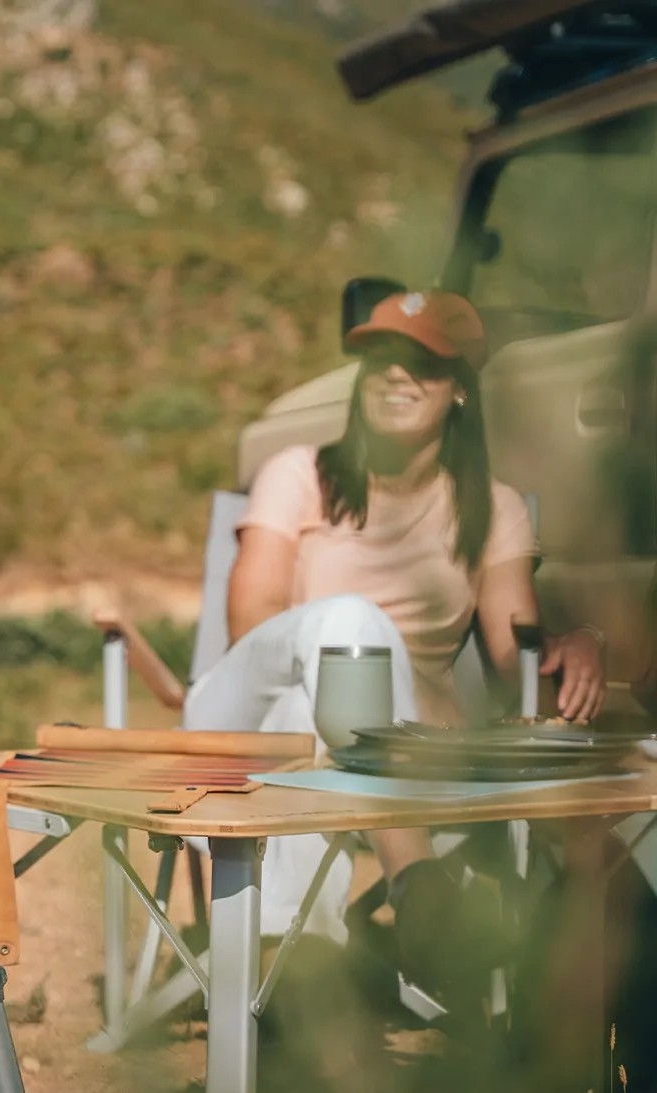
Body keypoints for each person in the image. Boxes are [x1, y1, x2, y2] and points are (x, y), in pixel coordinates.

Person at [183, 288, 607, 1015]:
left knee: (313, 716)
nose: (395, 374)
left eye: (424, 362)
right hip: (237, 721)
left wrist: (583, 645)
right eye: (380, 357)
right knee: (349, 627)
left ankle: (295, 979)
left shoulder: (493, 509)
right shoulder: (299, 472)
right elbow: (251, 623)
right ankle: (418, 886)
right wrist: (370, 662)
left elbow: (518, 659)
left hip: (336, 743)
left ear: (461, 389)